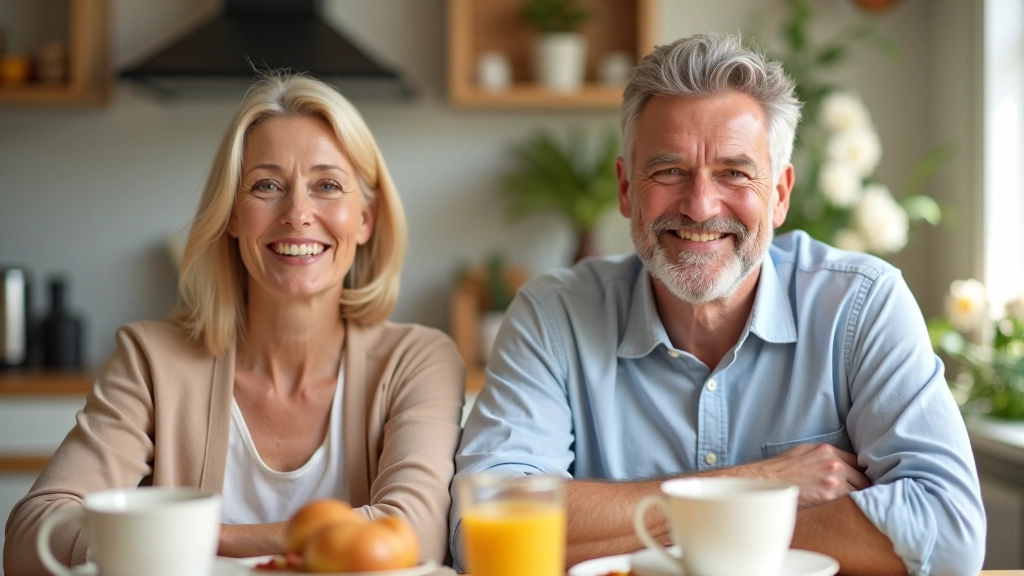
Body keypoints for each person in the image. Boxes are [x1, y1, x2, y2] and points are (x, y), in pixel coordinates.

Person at [451, 33, 985, 576]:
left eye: (733, 172)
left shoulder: (863, 303)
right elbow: (485, 533)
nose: (701, 206)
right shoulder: (552, 316)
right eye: (669, 171)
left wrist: (628, 529)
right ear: (625, 188)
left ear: (779, 194)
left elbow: (947, 532)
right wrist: (757, 488)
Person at [5, 74, 465, 575]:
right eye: (267, 185)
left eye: (328, 185)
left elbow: (415, 533)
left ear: (365, 219)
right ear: (232, 215)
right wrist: (314, 538)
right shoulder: (151, 360)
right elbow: (33, 532)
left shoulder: (418, 360)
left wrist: (200, 538)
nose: (297, 214)